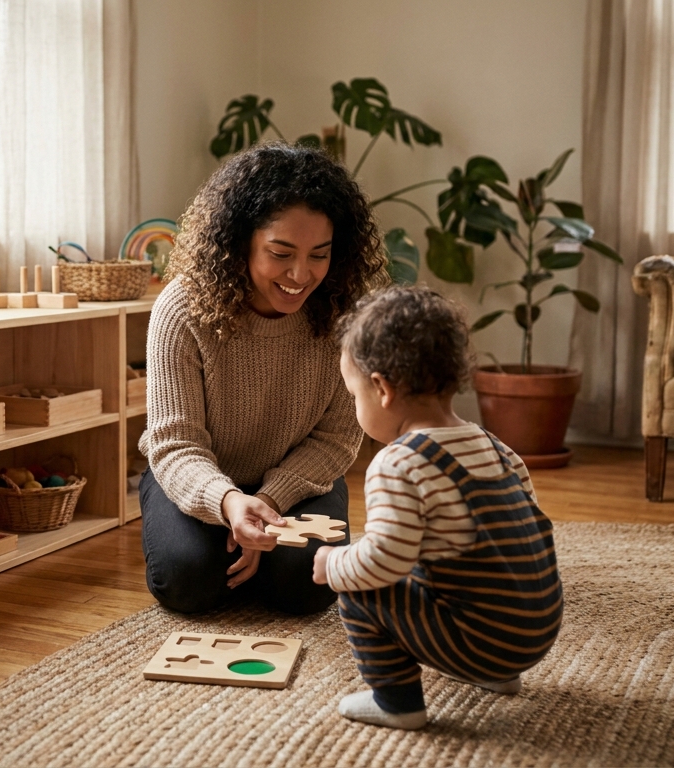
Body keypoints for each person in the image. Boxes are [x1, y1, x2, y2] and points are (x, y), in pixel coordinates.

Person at [138, 143, 386, 616]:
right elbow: (174, 442)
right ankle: (230, 550)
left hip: (298, 483)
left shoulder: (345, 315)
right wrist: (229, 503)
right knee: (187, 582)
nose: (300, 274)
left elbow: (335, 441)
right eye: (281, 252)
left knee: (308, 587)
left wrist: (268, 502)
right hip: (197, 475)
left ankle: (257, 559)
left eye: (320, 254)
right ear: (240, 241)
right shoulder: (181, 310)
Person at [313, 285, 563, 729]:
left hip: (485, 638)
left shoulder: (398, 462)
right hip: (538, 629)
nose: (356, 408)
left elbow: (382, 563)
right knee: (434, 558)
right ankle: (496, 673)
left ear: (381, 389)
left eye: (354, 397)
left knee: (360, 584)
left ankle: (397, 702)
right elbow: (515, 539)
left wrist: (334, 562)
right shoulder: (495, 446)